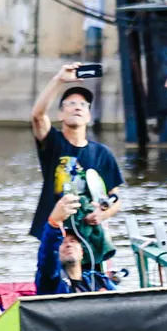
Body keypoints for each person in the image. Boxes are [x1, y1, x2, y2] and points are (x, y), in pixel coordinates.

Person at [28, 65, 126, 241]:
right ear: (60, 115)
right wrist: (59, 80)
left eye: (83, 105)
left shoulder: (102, 154)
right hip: (55, 230)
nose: (77, 107)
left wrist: (103, 214)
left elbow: (115, 197)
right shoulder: (53, 144)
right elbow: (37, 116)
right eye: (71, 104)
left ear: (88, 116)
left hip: (89, 233)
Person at [35, 193, 118, 294]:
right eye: (62, 243)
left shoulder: (99, 281)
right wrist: (54, 223)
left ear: (82, 251)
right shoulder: (51, 281)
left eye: (73, 241)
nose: (68, 245)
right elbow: (47, 257)